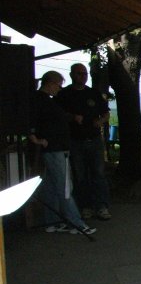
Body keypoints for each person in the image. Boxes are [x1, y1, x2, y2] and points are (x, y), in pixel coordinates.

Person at [28, 71, 96, 235]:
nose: (59, 89)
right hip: (54, 148)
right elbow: (31, 121)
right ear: (51, 83)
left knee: (51, 187)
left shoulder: (45, 101)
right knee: (65, 186)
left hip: (55, 147)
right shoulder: (40, 101)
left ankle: (52, 222)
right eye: (58, 86)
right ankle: (76, 223)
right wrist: (36, 138)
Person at [55, 63, 111, 220]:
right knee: (80, 175)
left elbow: (106, 113)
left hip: (94, 139)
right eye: (79, 73)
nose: (83, 76)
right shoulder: (64, 95)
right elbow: (56, 115)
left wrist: (101, 121)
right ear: (72, 75)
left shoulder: (93, 93)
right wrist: (72, 117)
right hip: (75, 140)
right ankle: (85, 206)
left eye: (85, 73)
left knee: (98, 174)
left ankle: (102, 206)